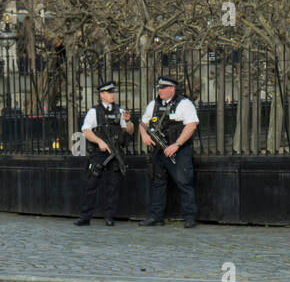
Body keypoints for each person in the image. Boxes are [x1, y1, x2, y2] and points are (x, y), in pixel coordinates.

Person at [139, 76, 200, 228]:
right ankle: (156, 216)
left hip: (179, 150)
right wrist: (144, 135)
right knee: (158, 183)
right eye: (159, 88)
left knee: (184, 181)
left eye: (163, 88)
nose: (159, 91)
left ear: (172, 89)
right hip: (159, 151)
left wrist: (177, 144)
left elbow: (191, 125)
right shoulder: (154, 104)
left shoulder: (184, 104)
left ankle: (190, 217)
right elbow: (143, 123)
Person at [76, 81, 133, 226]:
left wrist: (128, 121)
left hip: (114, 152)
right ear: (102, 95)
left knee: (113, 186)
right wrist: (99, 142)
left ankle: (109, 217)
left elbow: (130, 131)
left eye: (113, 92)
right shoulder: (94, 112)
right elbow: (86, 131)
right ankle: (85, 216)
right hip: (99, 153)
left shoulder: (119, 111)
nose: (112, 95)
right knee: (91, 184)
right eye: (109, 92)